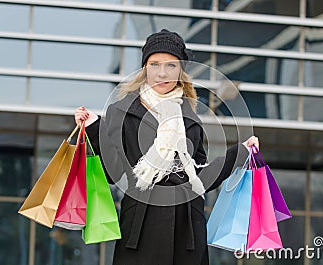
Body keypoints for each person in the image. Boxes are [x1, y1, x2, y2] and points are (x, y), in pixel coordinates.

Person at [75, 29, 259, 265]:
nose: (162, 73)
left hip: (187, 229)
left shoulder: (190, 118)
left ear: (180, 70)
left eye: (171, 65)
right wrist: (93, 127)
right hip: (141, 230)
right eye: (155, 64)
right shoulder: (121, 112)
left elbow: (199, 177)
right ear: (145, 68)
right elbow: (115, 173)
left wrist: (239, 152)